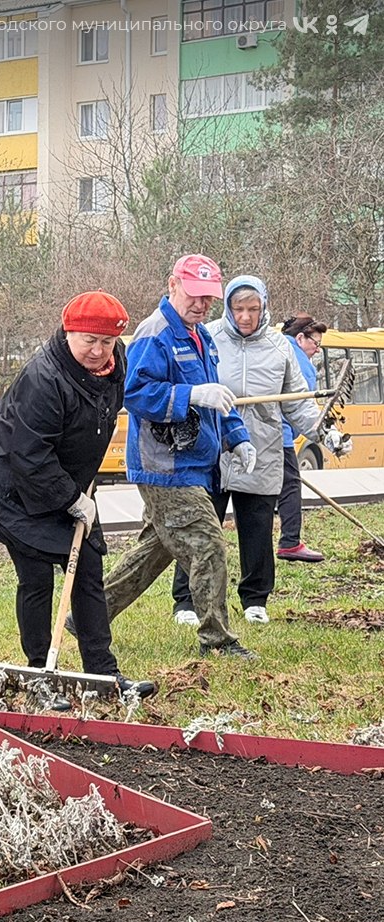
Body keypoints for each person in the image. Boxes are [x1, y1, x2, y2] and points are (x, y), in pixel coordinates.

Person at [0, 291, 156, 700]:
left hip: (69, 484)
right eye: (89, 340)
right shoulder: (43, 379)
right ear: (68, 332)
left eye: (106, 341)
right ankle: (39, 674)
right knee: (36, 576)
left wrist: (80, 491)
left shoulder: (116, 363)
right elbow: (29, 454)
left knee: (88, 571)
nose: (98, 350)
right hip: (12, 493)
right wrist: (72, 500)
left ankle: (104, 674)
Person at [89, 254, 258, 659]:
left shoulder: (201, 336)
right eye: (194, 295)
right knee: (207, 546)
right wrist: (190, 395)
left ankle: (88, 617)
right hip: (166, 466)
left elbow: (217, 397)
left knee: (153, 552)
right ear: (172, 286)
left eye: (208, 297)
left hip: (194, 463)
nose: (201, 304)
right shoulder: (155, 334)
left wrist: (237, 436)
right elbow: (133, 394)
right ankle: (217, 641)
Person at [170, 278, 323, 624]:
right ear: (227, 307)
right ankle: (187, 602)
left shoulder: (280, 347)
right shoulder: (207, 336)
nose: (245, 316)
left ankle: (255, 600)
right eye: (238, 308)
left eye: (253, 309)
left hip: (261, 450)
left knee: (256, 529)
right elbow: (186, 385)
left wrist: (322, 430)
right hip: (211, 450)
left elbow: (297, 403)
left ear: (264, 306)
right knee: (199, 528)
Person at [276, 313, 332, 562]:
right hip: (279, 434)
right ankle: (290, 542)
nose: (317, 350)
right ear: (300, 338)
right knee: (290, 486)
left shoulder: (273, 346)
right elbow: (302, 407)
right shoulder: (300, 362)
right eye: (315, 343)